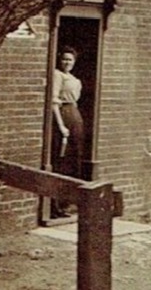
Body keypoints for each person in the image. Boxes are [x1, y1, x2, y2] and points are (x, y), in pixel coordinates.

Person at [50, 47, 84, 218]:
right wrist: (61, 125)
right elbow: (54, 102)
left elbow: (75, 101)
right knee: (60, 159)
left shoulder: (75, 79)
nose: (67, 63)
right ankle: (55, 206)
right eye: (64, 59)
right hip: (63, 115)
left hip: (74, 115)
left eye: (70, 60)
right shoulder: (57, 75)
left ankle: (67, 203)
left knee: (73, 159)